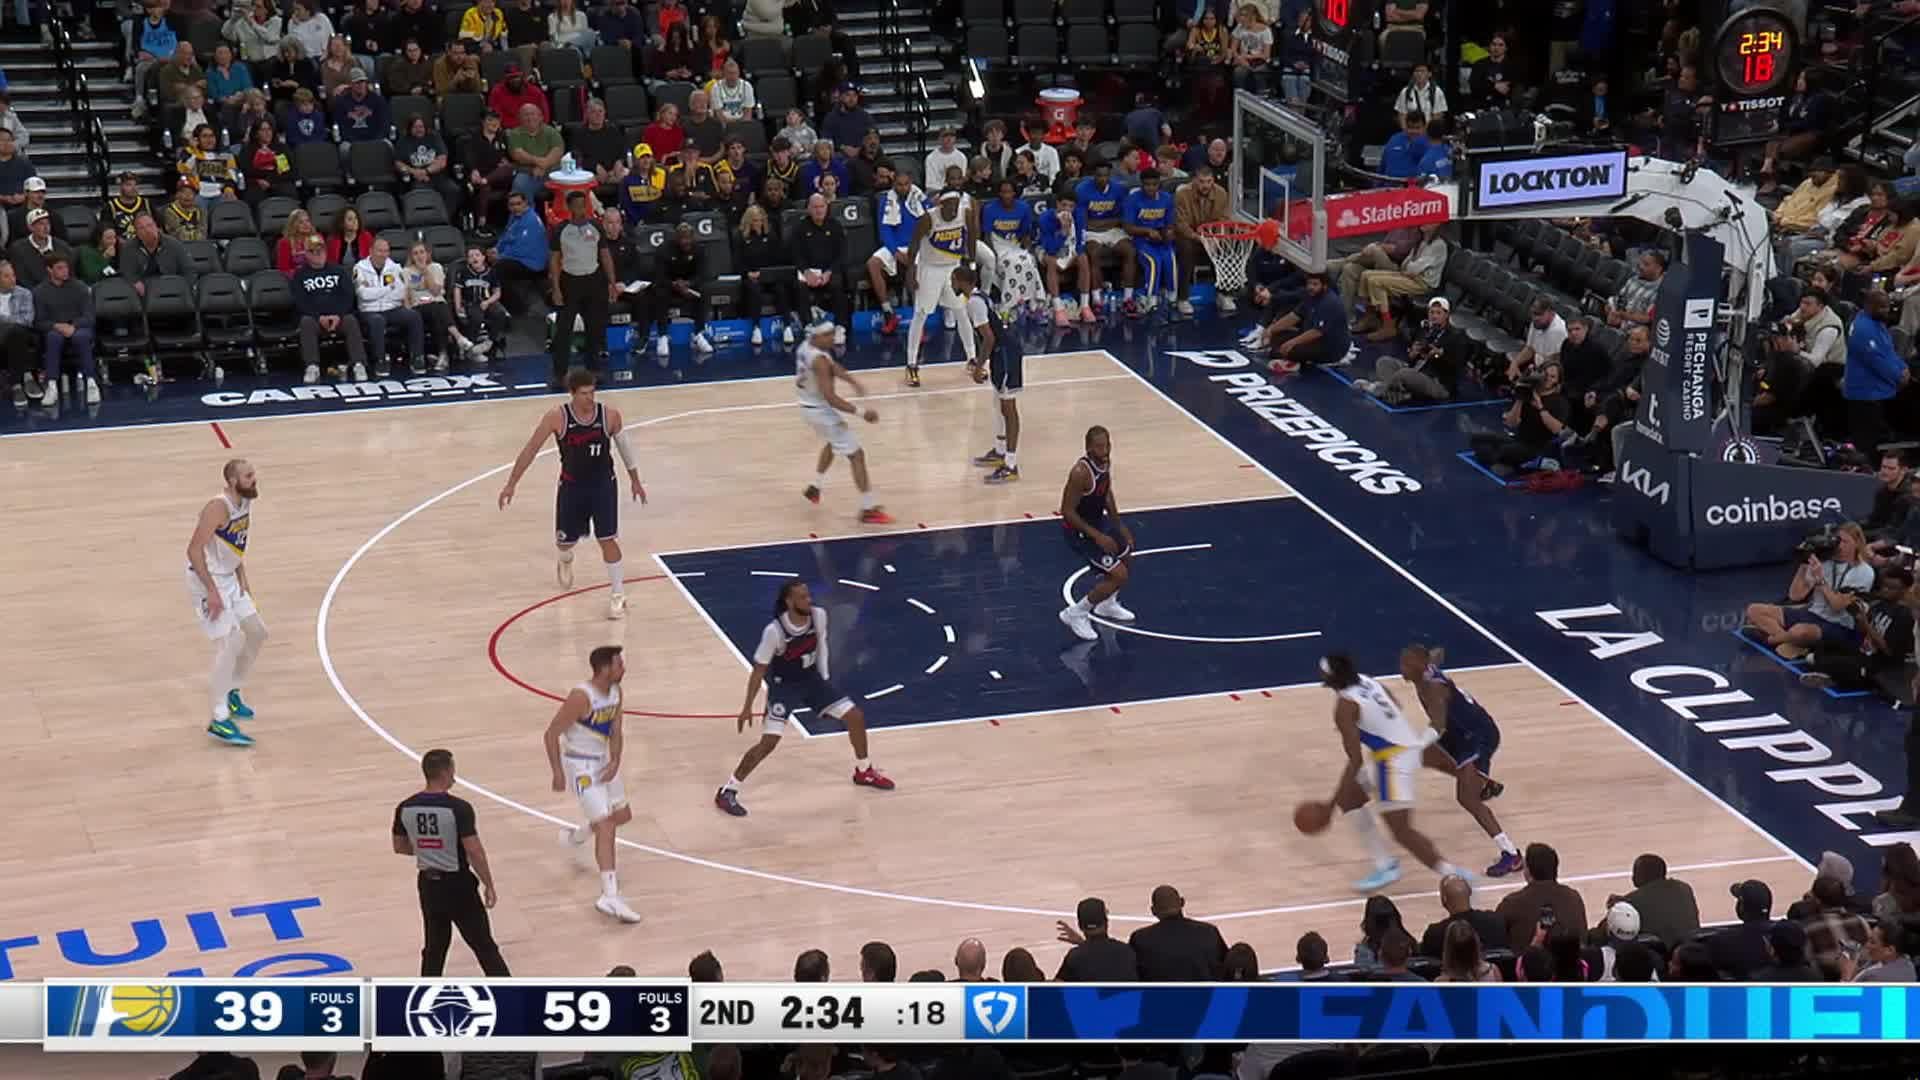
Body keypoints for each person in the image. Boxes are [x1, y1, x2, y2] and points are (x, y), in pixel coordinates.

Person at [716, 578, 897, 816]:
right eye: (802, 597)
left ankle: (864, 771)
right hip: (784, 688)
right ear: (789, 602)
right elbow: (759, 670)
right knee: (768, 743)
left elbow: (822, 645)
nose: (809, 600)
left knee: (855, 717)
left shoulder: (819, 616)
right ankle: (728, 791)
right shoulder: (774, 632)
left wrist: (825, 679)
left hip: (812, 682)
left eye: (808, 595)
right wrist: (747, 706)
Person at [1309, 652, 1471, 892]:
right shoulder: (1367, 680)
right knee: (1350, 799)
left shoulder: (1345, 706)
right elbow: (1395, 704)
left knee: (1402, 831)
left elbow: (1355, 761)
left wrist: (1329, 806)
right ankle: (1385, 865)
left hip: (1393, 761)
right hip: (1399, 748)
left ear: (1330, 679)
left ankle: (1454, 875)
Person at [497, 367, 648, 619]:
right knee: (565, 541)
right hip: (572, 486)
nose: (590, 398)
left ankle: (618, 595)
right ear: (572, 393)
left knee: (607, 539)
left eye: (592, 392)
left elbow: (625, 448)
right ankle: (565, 558)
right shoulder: (556, 417)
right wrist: (511, 483)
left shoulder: (610, 416)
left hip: (603, 485)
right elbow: (531, 449)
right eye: (584, 394)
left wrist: (635, 480)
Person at [542, 645, 645, 924]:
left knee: (622, 816)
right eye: (619, 664)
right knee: (607, 826)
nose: (624, 668)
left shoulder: (616, 692)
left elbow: (616, 730)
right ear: (605, 668)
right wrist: (557, 772)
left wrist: (616, 760)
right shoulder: (581, 697)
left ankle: (576, 837)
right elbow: (550, 734)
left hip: (603, 762)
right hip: (580, 767)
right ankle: (609, 895)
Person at [1401, 643, 1521, 876]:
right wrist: (1431, 657)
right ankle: (1484, 782)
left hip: (1477, 737)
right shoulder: (1426, 671)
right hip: (1458, 732)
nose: (1402, 668)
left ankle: (1512, 855)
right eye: (1402, 662)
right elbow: (1438, 652)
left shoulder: (1433, 689)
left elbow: (1437, 726)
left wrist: (1413, 745)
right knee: (1425, 757)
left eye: (1407, 664)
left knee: (1467, 798)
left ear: (1420, 666)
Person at [392, 748, 512, 974]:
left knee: (434, 950)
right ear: (446, 772)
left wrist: (429, 850)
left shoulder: (405, 807)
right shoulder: (458, 808)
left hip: (428, 885)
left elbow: (400, 846)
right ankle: (508, 992)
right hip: (458, 885)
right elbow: (474, 851)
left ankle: (424, 993)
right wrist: (488, 884)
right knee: (484, 947)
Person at [185, 459, 267, 747]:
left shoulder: (246, 500)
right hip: (207, 580)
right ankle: (219, 719)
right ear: (233, 481)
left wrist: (243, 577)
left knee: (257, 632)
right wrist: (211, 591)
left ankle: (232, 691)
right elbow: (194, 550)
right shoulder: (217, 508)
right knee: (229, 644)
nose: (254, 479)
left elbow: (235, 546)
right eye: (248, 475)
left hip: (230, 578)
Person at [786, 319, 889, 522]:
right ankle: (868, 509)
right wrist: (862, 413)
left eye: (833, 333)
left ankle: (815, 487)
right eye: (829, 335)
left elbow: (833, 366)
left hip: (808, 406)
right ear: (817, 336)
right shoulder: (819, 360)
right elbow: (831, 397)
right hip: (819, 411)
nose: (833, 338)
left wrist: (852, 381)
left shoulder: (806, 346)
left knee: (833, 443)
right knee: (857, 455)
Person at [1744, 522, 1876, 660]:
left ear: (1857, 544)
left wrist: (1820, 580)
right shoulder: (1825, 562)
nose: (1839, 546)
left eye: (1845, 542)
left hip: (1838, 625)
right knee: (1754, 610)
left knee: (1800, 631)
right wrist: (1804, 562)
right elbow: (1795, 596)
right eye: (1837, 541)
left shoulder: (1864, 572)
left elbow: (1837, 606)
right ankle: (1790, 642)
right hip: (1812, 613)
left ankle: (1774, 639)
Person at [1058, 425, 1136, 641]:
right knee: (1119, 574)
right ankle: (1075, 613)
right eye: (1100, 447)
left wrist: (1119, 526)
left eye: (1108, 445)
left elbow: (1106, 493)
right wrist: (1098, 537)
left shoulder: (1105, 462)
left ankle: (1107, 604)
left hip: (1097, 524)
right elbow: (1067, 511)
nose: (1105, 450)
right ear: (1089, 448)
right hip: (1079, 532)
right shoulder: (1080, 473)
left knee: (1127, 554)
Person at [899, 189, 976, 386]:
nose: (954, 210)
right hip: (930, 269)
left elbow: (972, 237)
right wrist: (911, 271)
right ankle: (911, 365)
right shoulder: (928, 219)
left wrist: (972, 265)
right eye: (950, 206)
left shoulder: (965, 213)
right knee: (920, 315)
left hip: (953, 268)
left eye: (956, 205)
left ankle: (972, 359)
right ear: (941, 205)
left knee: (961, 312)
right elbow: (914, 245)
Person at [955, 264, 1021, 484]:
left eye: (953, 280)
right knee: (998, 404)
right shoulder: (980, 296)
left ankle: (1011, 465)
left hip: (1006, 353)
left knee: (1008, 409)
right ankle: (1000, 451)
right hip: (1000, 353)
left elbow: (989, 338)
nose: (951, 284)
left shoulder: (974, 303)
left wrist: (978, 366)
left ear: (960, 280)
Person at [547, 190, 616, 379]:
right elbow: (554, 260)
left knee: (594, 327)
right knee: (564, 329)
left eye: (583, 205)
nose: (580, 209)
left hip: (594, 281)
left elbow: (605, 255)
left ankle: (593, 368)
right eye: (576, 205)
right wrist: (556, 289)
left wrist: (612, 282)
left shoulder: (596, 226)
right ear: (569, 207)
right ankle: (560, 372)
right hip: (570, 281)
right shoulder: (561, 230)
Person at [1354, 297, 1462, 404]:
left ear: (1446, 315)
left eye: (1438, 313)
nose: (1434, 316)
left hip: (1437, 382)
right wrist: (1412, 354)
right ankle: (1401, 393)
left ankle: (1378, 389)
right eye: (1432, 312)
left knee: (1405, 374)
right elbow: (1411, 359)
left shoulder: (1455, 337)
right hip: (1416, 371)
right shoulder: (1425, 330)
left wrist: (1440, 355)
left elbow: (1457, 365)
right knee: (1384, 362)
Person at [291, 235, 369, 383]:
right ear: (306, 254)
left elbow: (348, 297)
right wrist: (319, 317)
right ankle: (312, 366)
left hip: (338, 317)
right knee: (306, 322)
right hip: (315, 318)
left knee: (351, 320)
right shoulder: (300, 275)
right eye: (313, 251)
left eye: (320, 250)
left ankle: (359, 364)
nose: (318, 254)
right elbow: (300, 302)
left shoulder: (339, 271)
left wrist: (338, 315)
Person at [1244, 270, 1351, 374]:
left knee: (1288, 349)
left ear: (1324, 286)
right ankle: (1295, 359)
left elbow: (1317, 332)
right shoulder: (1310, 296)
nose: (1310, 287)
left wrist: (1292, 342)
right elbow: (1294, 316)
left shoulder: (1329, 302)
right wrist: (1271, 330)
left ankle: (1300, 362)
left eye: (1315, 284)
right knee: (1276, 338)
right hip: (1314, 338)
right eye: (1309, 283)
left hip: (1331, 346)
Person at [1844, 290, 1908, 457]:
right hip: (1866, 395)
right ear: (1868, 306)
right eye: (1881, 307)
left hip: (1879, 391)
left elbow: (1888, 351)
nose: (1886, 310)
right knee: (1869, 445)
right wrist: (1899, 376)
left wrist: (1903, 367)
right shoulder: (1863, 329)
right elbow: (1877, 361)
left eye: (1887, 306)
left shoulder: (1877, 323)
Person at [1495, 842, 1588, 951]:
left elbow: (1495, 940)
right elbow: (1583, 936)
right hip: (1571, 960)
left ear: (1527, 872)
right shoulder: (1574, 897)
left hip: (1528, 961)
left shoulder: (1511, 903)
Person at [1126, 885, 1227, 980]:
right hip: (1205, 992)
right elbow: (1226, 968)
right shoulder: (1209, 932)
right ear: (1182, 902)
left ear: (1153, 911)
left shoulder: (1140, 939)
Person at [354, 236, 423, 376]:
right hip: (369, 310)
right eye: (380, 251)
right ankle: (380, 361)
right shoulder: (359, 268)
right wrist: (388, 289)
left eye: (386, 251)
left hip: (392, 308)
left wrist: (376, 292)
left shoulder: (395, 267)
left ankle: (417, 357)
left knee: (413, 316)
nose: (383, 254)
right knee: (377, 320)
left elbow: (400, 293)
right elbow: (363, 295)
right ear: (371, 251)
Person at [867, 169, 925, 334]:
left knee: (913, 272)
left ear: (911, 184)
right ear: (894, 185)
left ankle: (919, 324)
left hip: (917, 246)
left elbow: (926, 226)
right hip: (895, 245)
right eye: (899, 185)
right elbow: (884, 230)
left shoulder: (921, 199)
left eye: (906, 184)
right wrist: (895, 252)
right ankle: (888, 313)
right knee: (872, 264)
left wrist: (913, 250)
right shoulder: (885, 201)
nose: (903, 188)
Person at [32, 253, 95, 403]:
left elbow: (89, 317)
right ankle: (52, 385)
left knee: (81, 336)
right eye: (59, 268)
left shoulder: (80, 287)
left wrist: (73, 325)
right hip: (55, 328)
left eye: (66, 267)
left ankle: (91, 383)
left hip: (78, 326)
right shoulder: (40, 291)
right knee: (53, 337)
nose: (65, 271)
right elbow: (39, 321)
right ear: (49, 270)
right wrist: (56, 326)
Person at [789, 195, 852, 341]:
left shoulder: (835, 225)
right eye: (815, 207)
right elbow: (796, 254)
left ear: (827, 207)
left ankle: (840, 326)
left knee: (838, 282)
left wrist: (829, 272)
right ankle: (807, 325)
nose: (819, 210)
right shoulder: (800, 228)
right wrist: (806, 272)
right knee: (799, 285)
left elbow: (842, 254)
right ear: (808, 209)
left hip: (829, 270)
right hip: (809, 271)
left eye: (821, 207)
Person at [1077, 162, 1137, 315]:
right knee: (1094, 253)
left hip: (1113, 230)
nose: (1102, 179)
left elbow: (1122, 219)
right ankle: (1097, 300)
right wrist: (1106, 222)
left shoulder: (1119, 189)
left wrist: (1101, 223)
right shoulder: (1082, 190)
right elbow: (1083, 222)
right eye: (1099, 176)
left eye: (1105, 176)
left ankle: (1128, 298)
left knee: (1130, 251)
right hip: (1091, 233)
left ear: (1110, 175)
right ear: (1093, 175)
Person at [651, 221, 715, 358]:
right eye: (683, 238)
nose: (686, 241)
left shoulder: (699, 249)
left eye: (689, 238)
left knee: (703, 291)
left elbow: (703, 274)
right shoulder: (663, 250)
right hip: (669, 285)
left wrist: (689, 284)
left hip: (689, 285)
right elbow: (659, 276)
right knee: (659, 292)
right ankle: (662, 336)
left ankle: (698, 334)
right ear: (676, 238)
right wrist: (674, 284)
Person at [1121, 169, 1177, 316]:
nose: (1151, 188)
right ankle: (1150, 299)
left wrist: (1169, 232)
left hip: (1161, 240)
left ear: (1159, 184)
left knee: (1170, 259)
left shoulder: (1167, 198)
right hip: (1141, 240)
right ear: (1142, 184)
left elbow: (1170, 224)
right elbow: (1128, 227)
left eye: (1154, 184)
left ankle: (1172, 297)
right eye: (1147, 185)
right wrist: (1147, 231)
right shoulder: (1133, 199)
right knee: (1154, 261)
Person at [401, 241, 459, 371]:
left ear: (428, 254)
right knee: (437, 307)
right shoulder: (406, 271)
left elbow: (436, 291)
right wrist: (407, 311)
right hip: (418, 306)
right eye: (415, 253)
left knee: (437, 309)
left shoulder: (436, 267)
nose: (419, 256)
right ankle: (457, 339)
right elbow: (406, 295)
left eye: (422, 252)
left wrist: (425, 271)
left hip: (436, 303)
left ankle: (442, 355)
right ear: (411, 256)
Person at [1040, 190, 1094, 327]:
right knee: (1051, 261)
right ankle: (1058, 308)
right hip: (1047, 250)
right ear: (1057, 204)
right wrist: (1063, 231)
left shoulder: (1079, 216)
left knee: (1083, 258)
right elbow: (1050, 249)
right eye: (1064, 205)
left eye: (1071, 206)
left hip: (1070, 250)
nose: (1067, 209)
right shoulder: (1045, 218)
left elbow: (1081, 241)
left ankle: (1085, 306)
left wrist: (1075, 254)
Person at [1053, 897, 1140, 980]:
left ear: (1080, 926)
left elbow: (1054, 987)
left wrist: (1083, 945)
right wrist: (1084, 944)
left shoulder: (1075, 957)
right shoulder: (1127, 952)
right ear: (1106, 922)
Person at [452, 245, 507, 359]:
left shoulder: (491, 272)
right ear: (468, 260)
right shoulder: (463, 272)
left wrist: (488, 302)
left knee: (500, 313)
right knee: (476, 317)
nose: (474, 258)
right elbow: (457, 290)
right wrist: (458, 306)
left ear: (483, 257)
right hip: (470, 302)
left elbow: (497, 292)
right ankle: (469, 347)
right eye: (471, 256)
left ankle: (490, 342)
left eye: (477, 255)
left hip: (486, 301)